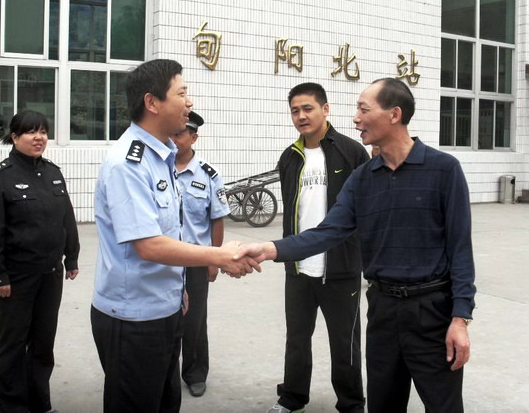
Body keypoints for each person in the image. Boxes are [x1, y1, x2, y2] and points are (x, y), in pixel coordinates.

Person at [237, 78, 476, 413]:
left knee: (443, 405)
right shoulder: (363, 179)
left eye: (364, 110)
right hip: (382, 310)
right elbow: (328, 231)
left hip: (431, 312)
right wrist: (269, 249)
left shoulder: (444, 169)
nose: (356, 118)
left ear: (394, 115)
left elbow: (460, 249)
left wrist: (460, 318)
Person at [91, 59, 261, 413]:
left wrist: (178, 286)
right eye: (182, 93)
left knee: (166, 402)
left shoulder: (163, 157)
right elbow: (149, 245)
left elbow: (171, 230)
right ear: (152, 103)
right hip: (133, 318)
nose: (189, 102)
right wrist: (219, 256)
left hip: (166, 308)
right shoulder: (129, 163)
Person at [267, 83, 369, 413]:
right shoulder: (290, 157)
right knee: (297, 339)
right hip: (299, 269)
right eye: (295, 110)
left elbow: (365, 211)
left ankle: (351, 404)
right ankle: (292, 398)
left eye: (308, 108)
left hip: (341, 269)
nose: (301, 116)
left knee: (345, 343)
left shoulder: (352, 152)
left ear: (326, 109)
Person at [0, 110, 80, 413]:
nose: (39, 138)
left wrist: (72, 256)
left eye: (44, 132)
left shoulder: (52, 172)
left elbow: (67, 217)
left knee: (43, 343)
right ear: (14, 137)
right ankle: (13, 407)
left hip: (50, 274)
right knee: (12, 345)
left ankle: (40, 403)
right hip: (17, 278)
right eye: (31, 132)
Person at [171, 111, 230, 398]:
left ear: (194, 137)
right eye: (171, 133)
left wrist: (213, 260)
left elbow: (216, 220)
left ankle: (195, 373)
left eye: (180, 134)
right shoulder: (158, 169)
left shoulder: (208, 175)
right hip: (165, 259)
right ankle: (166, 372)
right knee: (165, 318)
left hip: (196, 260)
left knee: (194, 320)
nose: (174, 139)